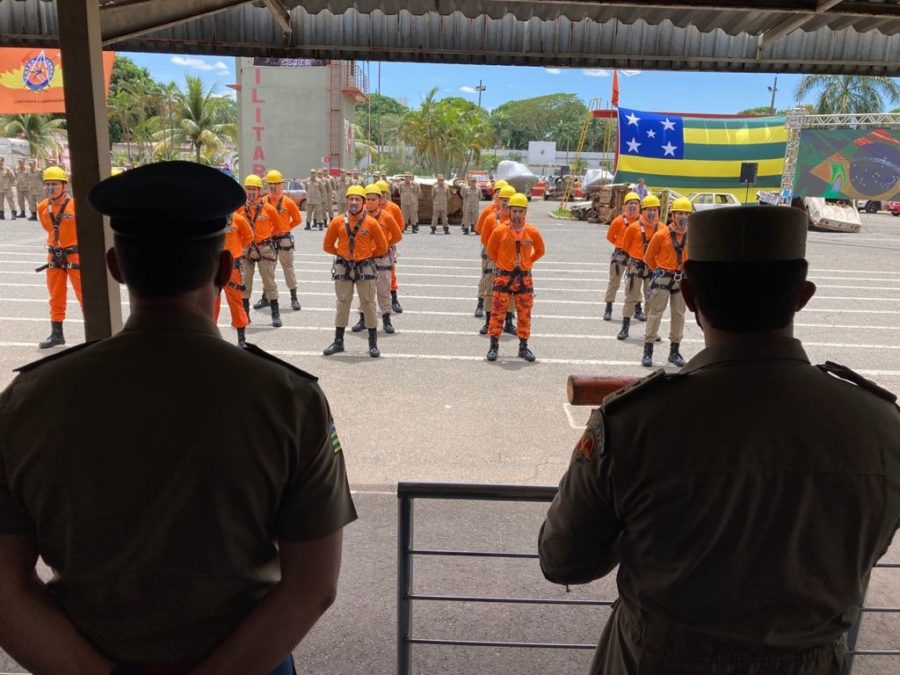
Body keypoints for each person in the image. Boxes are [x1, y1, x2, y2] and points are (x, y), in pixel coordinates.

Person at [0, 161, 357, 675]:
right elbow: (312, 588)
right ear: (224, 269)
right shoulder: (288, 400)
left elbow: (6, 588)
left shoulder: (28, 399)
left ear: (115, 266)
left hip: (82, 651)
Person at [538, 205, 900, 675]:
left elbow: (564, 561)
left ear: (688, 295)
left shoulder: (636, 423)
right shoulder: (880, 424)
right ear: (803, 296)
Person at [322, 185, 388, 358]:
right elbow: (327, 245)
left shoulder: (371, 223)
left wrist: (367, 256)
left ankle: (373, 344)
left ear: (363, 202)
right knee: (342, 303)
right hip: (344, 266)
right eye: (351, 198)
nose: (353, 202)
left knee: (368, 303)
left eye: (357, 199)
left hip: (365, 266)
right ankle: (338, 342)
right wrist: (342, 255)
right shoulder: (337, 222)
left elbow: (383, 246)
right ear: (347, 200)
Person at [485, 193, 544, 362]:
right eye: (515, 211)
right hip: (504, 277)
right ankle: (493, 346)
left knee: (524, 313)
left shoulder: (532, 231)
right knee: (498, 312)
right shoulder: (500, 230)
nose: (517, 215)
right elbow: (491, 251)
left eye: (520, 211)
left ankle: (523, 347)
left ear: (525, 212)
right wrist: (503, 264)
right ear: (509, 211)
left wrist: (527, 262)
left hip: (524, 278)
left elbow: (540, 250)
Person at [640, 196, 690, 368]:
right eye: (680, 214)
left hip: (681, 278)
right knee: (656, 312)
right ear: (672, 215)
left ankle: (674, 351)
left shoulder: (692, 236)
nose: (683, 217)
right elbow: (648, 257)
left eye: (686, 214)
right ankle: (648, 350)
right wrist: (659, 272)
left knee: (679, 314)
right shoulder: (661, 235)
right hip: (663, 276)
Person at [36, 166, 83, 348]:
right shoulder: (42, 207)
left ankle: (95, 331)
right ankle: (57, 334)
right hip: (54, 256)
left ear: (64, 185)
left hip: (75, 256)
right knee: (56, 296)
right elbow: (47, 228)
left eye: (54, 184)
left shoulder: (75, 205)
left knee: (84, 295)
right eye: (47, 184)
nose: (50, 188)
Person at [350, 184, 403, 335]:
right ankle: (363, 319)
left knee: (383, 291)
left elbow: (398, 235)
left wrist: (386, 244)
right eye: (368, 199)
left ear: (379, 200)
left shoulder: (386, 216)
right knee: (365, 292)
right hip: (365, 259)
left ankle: (386, 320)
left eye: (374, 199)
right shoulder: (360, 217)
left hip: (382, 258)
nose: (371, 202)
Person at [237, 174, 283, 328]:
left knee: (269, 282)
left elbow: (278, 226)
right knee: (244, 283)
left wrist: (266, 235)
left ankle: (275, 314)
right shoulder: (239, 209)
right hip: (246, 250)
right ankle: (245, 315)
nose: (251, 192)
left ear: (259, 190)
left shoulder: (268, 208)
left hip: (264, 248)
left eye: (254, 189)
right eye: (248, 189)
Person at [255, 169, 303, 312]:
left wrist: (285, 228)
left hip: (284, 239)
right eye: (271, 184)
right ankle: (266, 297)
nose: (273, 187)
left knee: (288, 268)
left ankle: (294, 297)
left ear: (281, 184)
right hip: (267, 240)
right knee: (267, 270)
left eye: (276, 184)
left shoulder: (288, 202)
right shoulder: (262, 201)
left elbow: (298, 219)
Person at [616, 194, 661, 340]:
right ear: (643, 211)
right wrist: (636, 259)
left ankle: (651, 331)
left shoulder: (662, 228)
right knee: (631, 298)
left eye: (655, 210)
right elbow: (626, 247)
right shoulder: (634, 227)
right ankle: (625, 328)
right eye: (649, 209)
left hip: (652, 269)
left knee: (651, 301)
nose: (652, 213)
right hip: (636, 266)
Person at [479, 185, 518, 337]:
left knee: (511, 294)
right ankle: (489, 322)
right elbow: (485, 241)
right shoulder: (491, 219)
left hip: (512, 262)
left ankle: (508, 322)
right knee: (490, 292)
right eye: (503, 199)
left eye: (509, 200)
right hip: (494, 261)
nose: (506, 203)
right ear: (498, 199)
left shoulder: (519, 220)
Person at [214, 208, 253, 346]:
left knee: (236, 301)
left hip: (232, 267)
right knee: (212, 302)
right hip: (214, 266)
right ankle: (211, 336)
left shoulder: (238, 219)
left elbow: (249, 236)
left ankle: (241, 339)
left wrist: (237, 250)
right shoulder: (212, 217)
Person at [601, 192, 640, 321]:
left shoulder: (642, 222)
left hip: (636, 256)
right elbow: (610, 237)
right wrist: (620, 245)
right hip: (621, 254)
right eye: (630, 203)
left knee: (635, 283)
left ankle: (638, 308)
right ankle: (608, 307)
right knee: (614, 281)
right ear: (625, 206)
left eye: (636, 203)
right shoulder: (618, 221)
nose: (633, 206)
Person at [377, 180, 406, 314]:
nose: (381, 197)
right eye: (379, 194)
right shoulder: (367, 207)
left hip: (387, 247)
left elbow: (400, 227)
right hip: (369, 248)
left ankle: (394, 298)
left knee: (391, 273)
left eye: (384, 194)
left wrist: (389, 242)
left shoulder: (393, 208)